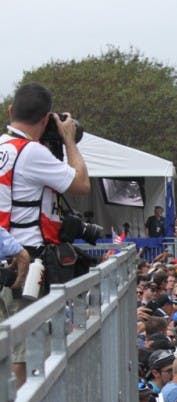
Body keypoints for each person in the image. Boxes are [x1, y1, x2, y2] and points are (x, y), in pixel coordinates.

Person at [2, 83, 90, 386]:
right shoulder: (31, 152)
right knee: (22, 353)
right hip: (25, 263)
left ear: (11, 111)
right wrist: (69, 141)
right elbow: (80, 184)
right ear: (45, 119)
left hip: (5, 253)